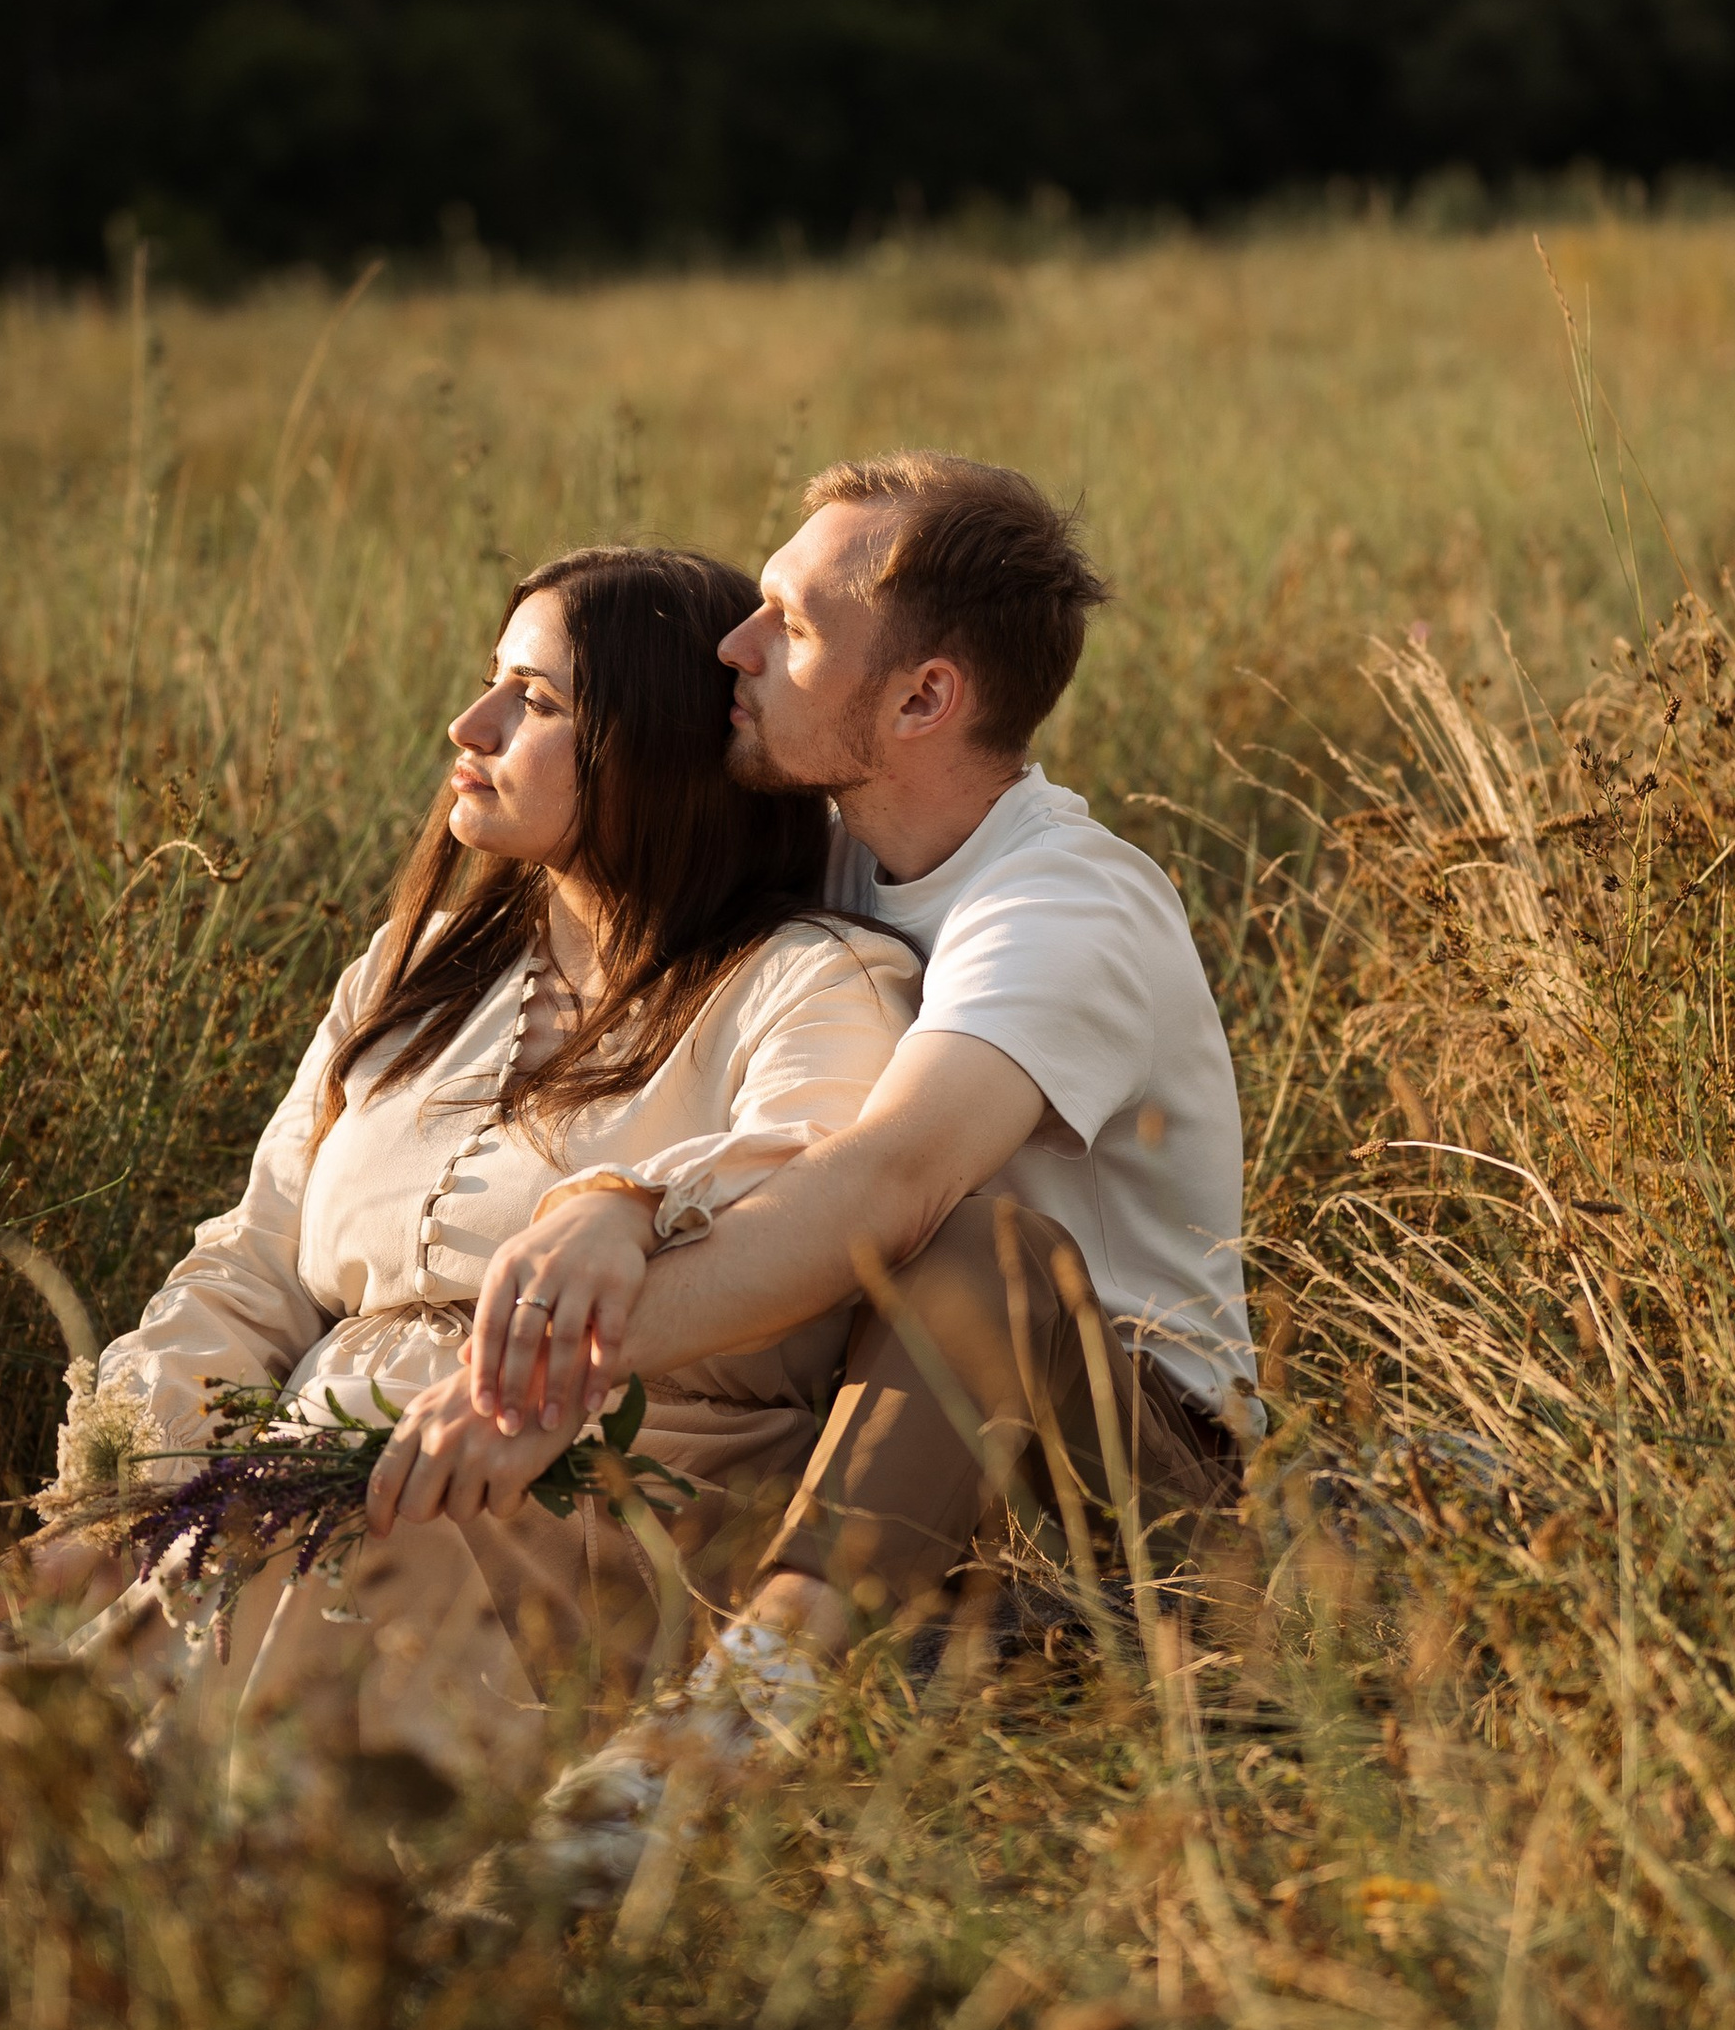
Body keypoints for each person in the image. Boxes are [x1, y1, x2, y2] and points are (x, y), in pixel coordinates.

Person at [0, 544, 919, 1817]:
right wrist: (109, 1514)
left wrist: (623, 1199)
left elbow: (802, 1187)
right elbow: (259, 1252)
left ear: (650, 749)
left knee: (102, 1771)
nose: (470, 724)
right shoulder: (417, 964)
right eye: (493, 682)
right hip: (296, 1493)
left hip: (596, 1523)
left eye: (536, 702)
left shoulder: (813, 981)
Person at [362, 452, 1255, 1865]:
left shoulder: (1063, 908)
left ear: (922, 699)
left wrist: (554, 1368)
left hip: (1115, 1484)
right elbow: (742, 1117)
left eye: (789, 622)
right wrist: (619, 1195)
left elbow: (888, 1183)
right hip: (869, 1444)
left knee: (979, 1249)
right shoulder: (836, 855)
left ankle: (724, 1728)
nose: (735, 645)